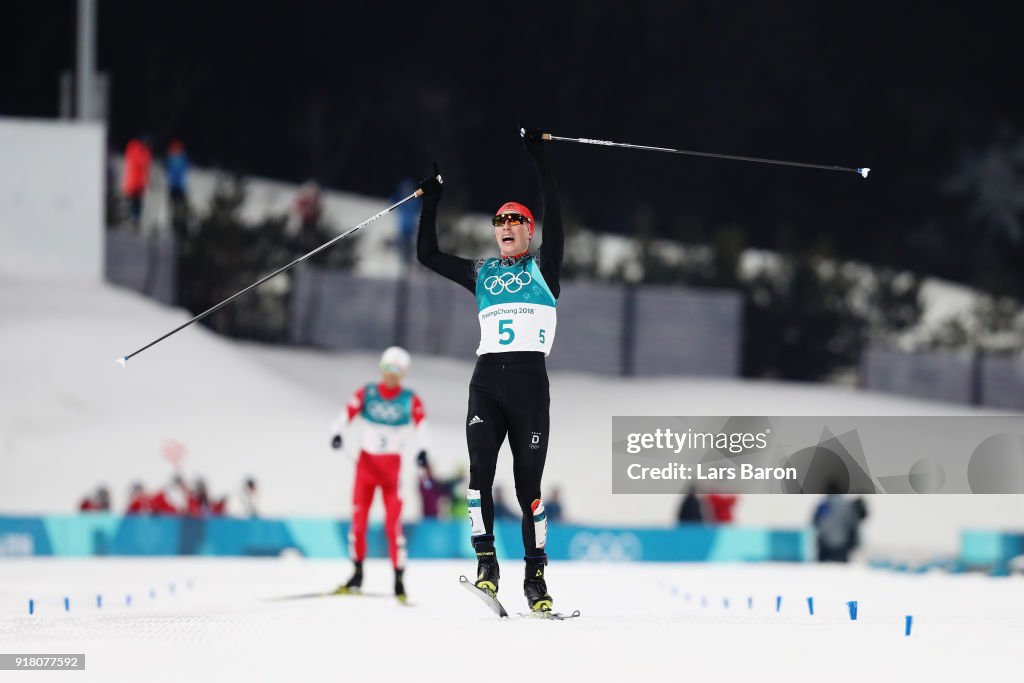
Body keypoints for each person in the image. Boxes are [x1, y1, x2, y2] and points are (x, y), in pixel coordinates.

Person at [416, 124, 563, 613]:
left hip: (529, 389)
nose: (504, 225)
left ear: (528, 229)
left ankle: (535, 580)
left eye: (514, 219)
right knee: (478, 478)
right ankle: (487, 568)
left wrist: (539, 159)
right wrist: (431, 201)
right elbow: (427, 255)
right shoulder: (481, 273)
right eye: (498, 219)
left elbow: (556, 213)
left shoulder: (544, 269)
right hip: (486, 385)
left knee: (529, 491)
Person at [330, 346, 429, 602]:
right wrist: (337, 433)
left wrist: (423, 450)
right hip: (365, 468)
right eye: (387, 368)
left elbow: (422, 426)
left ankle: (398, 580)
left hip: (390, 472)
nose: (390, 375)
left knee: (393, 526)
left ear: (404, 373)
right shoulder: (368, 393)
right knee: (358, 524)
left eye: (396, 370)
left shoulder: (409, 398)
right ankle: (357, 574)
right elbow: (345, 415)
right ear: (380, 368)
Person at [813, 482, 868, 562]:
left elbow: (815, 523)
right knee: (841, 571)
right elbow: (855, 523)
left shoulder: (824, 505)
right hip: (842, 546)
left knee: (822, 571)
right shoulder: (849, 505)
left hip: (825, 545)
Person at [121, 136, 152, 229]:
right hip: (133, 182)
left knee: (137, 203)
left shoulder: (145, 152)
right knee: (132, 202)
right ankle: (130, 220)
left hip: (139, 183)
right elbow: (138, 165)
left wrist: (147, 180)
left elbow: (146, 169)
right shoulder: (135, 150)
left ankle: (135, 221)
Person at [166, 140, 189, 238]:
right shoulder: (172, 157)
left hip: (179, 187)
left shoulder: (181, 158)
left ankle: (180, 225)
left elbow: (182, 170)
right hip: (173, 187)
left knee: (179, 207)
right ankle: (175, 224)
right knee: (174, 207)